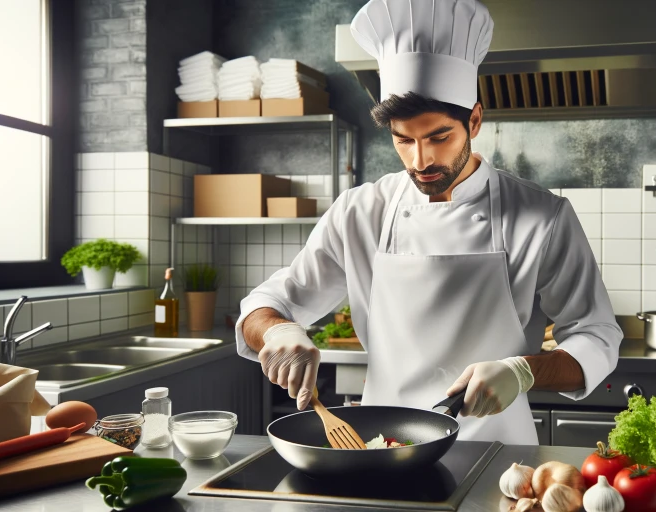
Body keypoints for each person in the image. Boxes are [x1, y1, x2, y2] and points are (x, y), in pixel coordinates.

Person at [236, 0, 623, 445]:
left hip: (499, 453)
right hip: (383, 447)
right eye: (404, 141)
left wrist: (523, 371)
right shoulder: (360, 211)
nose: (421, 161)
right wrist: (279, 329)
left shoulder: (543, 215)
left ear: (474, 120)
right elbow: (265, 304)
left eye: (439, 137)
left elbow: (597, 337)